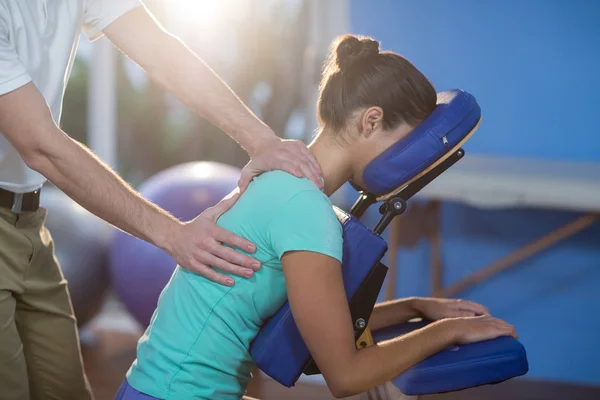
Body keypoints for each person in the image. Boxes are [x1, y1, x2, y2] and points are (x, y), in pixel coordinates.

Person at [117, 34, 518, 400]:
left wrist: (416, 308)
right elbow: (345, 374)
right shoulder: (306, 212)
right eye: (406, 144)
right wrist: (450, 331)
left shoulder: (281, 184)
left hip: (154, 387)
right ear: (371, 120)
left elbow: (317, 323)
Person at [0, 2, 323, 399]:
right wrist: (174, 235)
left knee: (64, 387)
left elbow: (162, 53)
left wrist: (263, 142)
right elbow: (41, 145)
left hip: (29, 221)